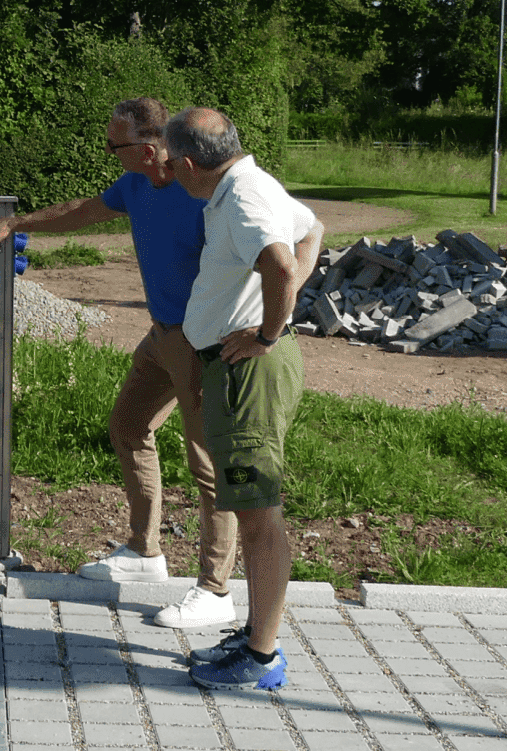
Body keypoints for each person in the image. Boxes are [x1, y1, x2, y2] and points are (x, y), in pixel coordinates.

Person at [0, 97, 241, 629]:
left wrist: (258, 330)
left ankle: (215, 588)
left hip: (206, 340)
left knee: (208, 463)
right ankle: (145, 552)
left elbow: (272, 251)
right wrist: (12, 223)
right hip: (162, 334)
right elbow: (85, 211)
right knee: (129, 424)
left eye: (114, 145)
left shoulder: (205, 191)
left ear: (146, 147)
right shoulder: (137, 186)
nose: (109, 153)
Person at [163, 106, 323, 690]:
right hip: (238, 370)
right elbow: (312, 230)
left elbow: (282, 262)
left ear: (186, 162)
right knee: (254, 507)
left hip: (248, 371)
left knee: (258, 513)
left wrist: (265, 332)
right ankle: (258, 634)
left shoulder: (243, 197)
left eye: (169, 163)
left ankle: (260, 657)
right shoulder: (251, 183)